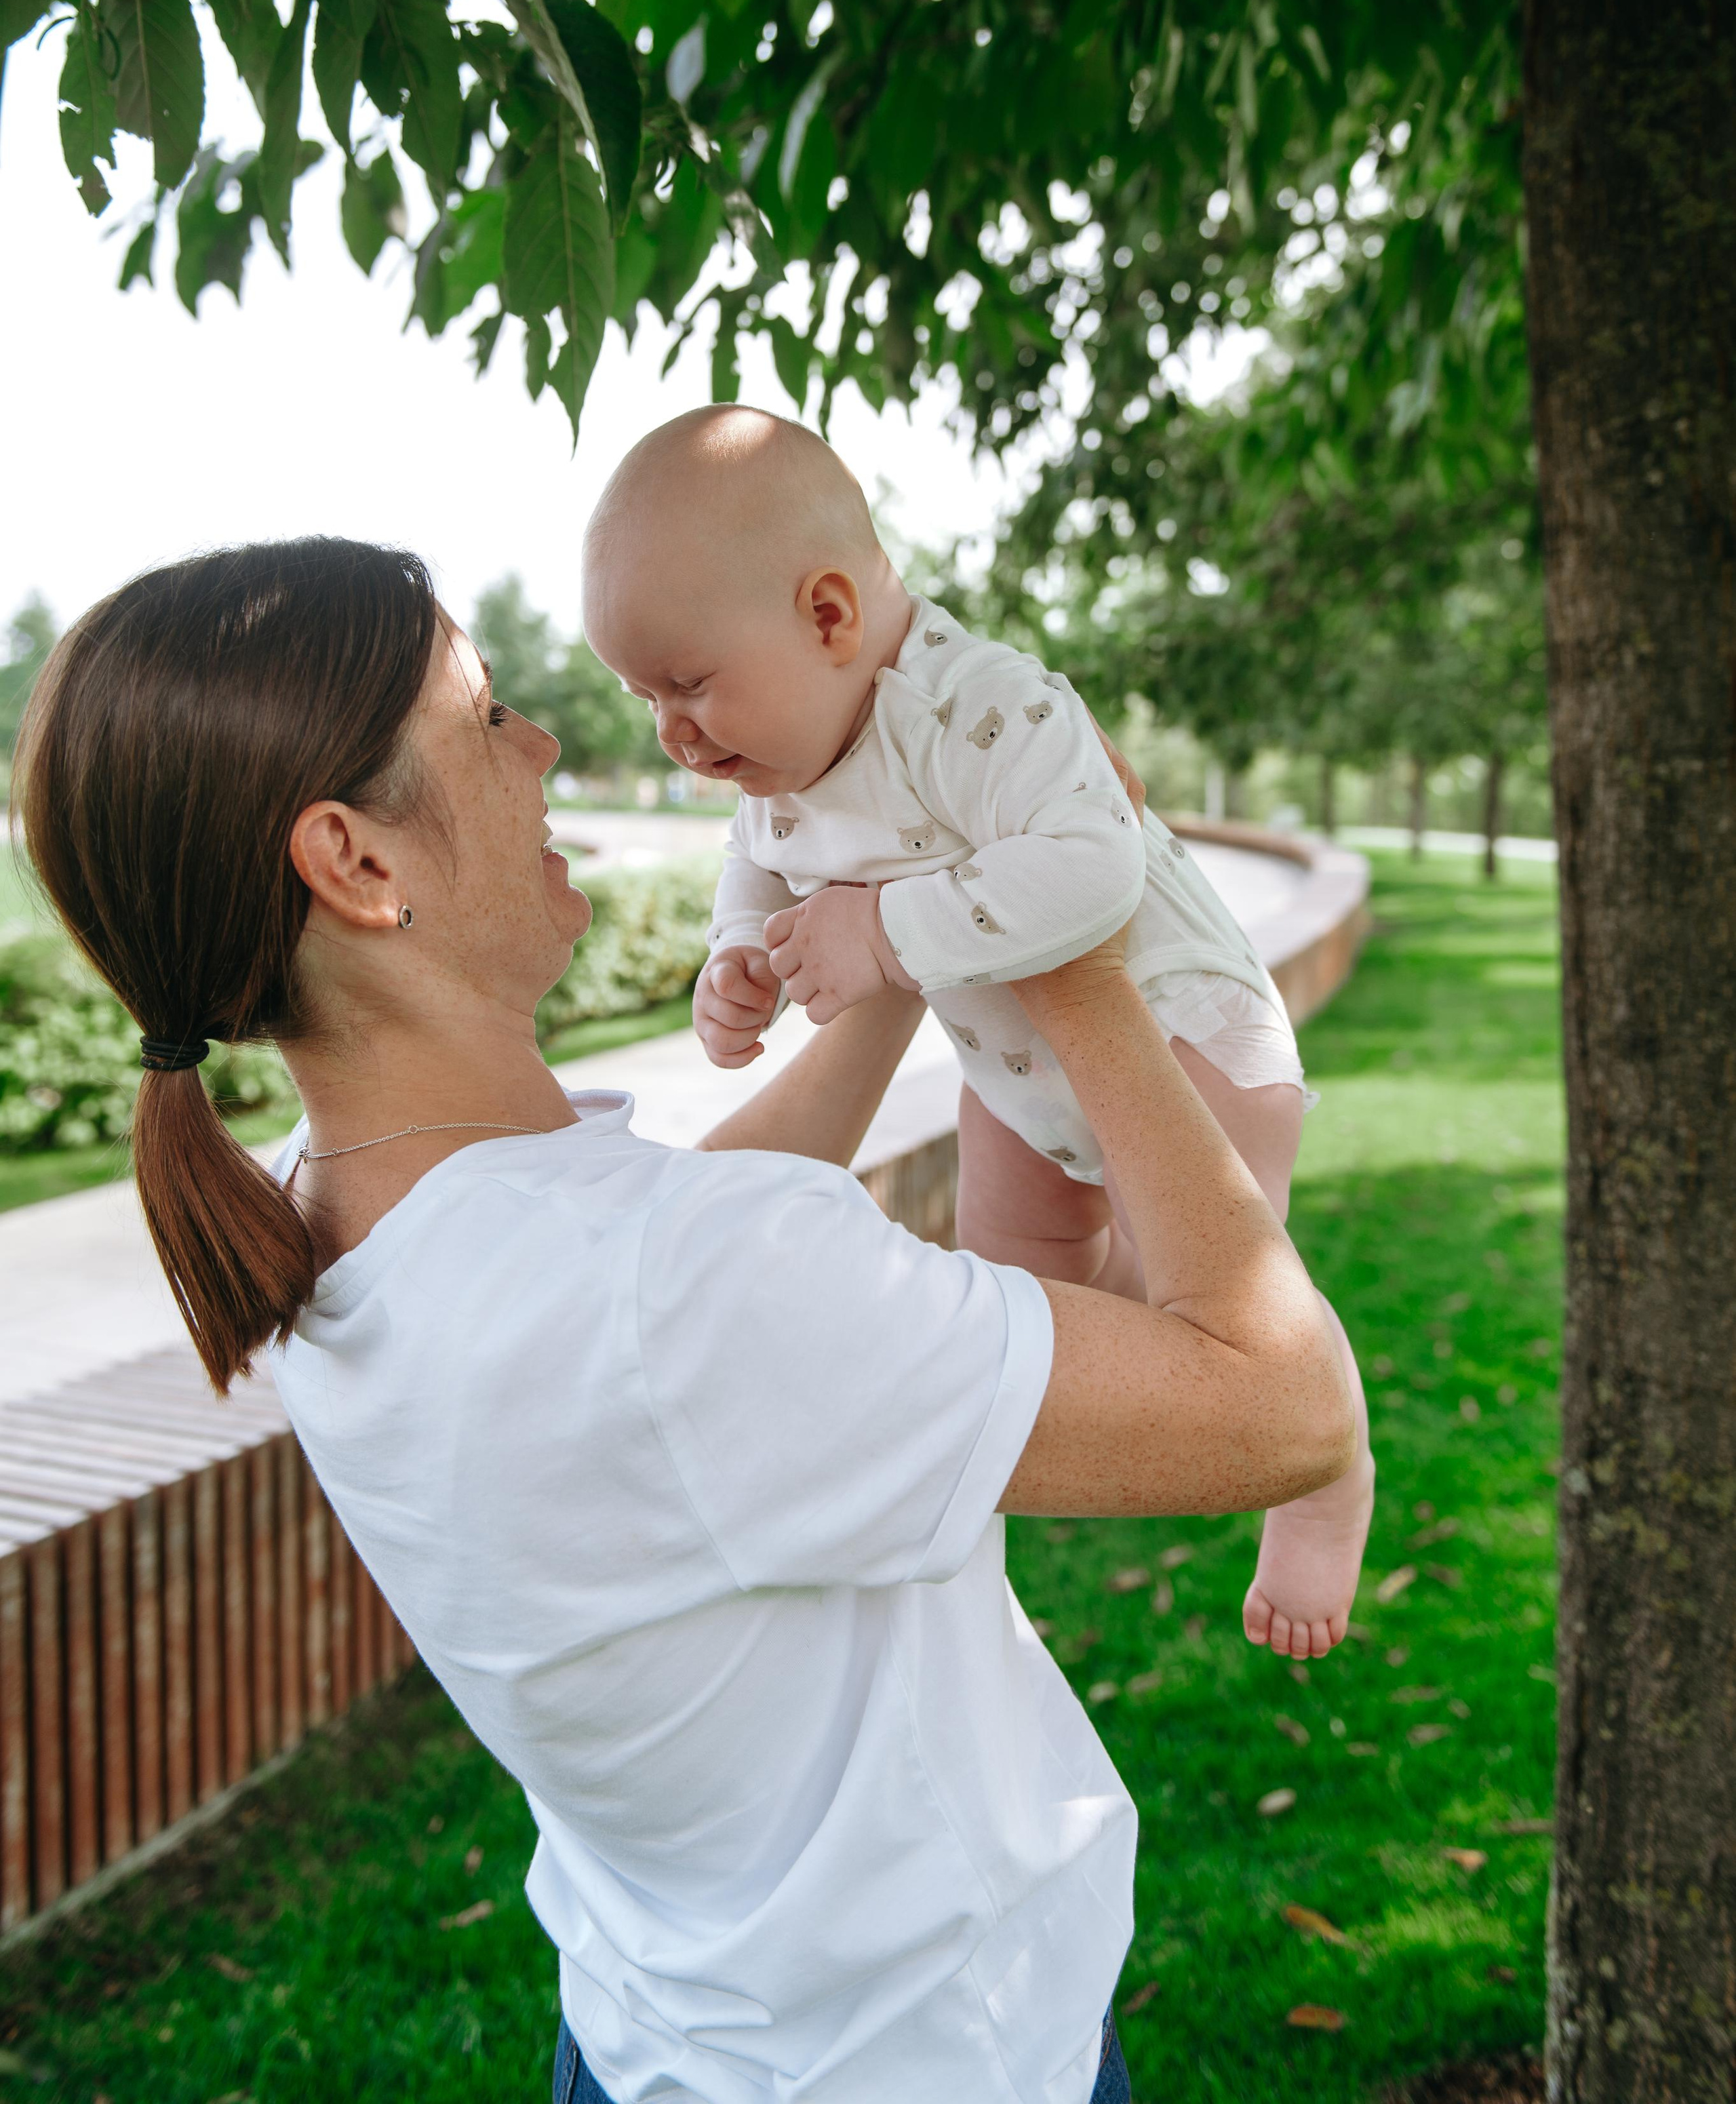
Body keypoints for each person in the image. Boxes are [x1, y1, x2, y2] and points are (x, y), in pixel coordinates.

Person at [15, 536, 1354, 2104]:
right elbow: (1284, 1408)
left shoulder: (330, 1225)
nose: (551, 745)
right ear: (356, 861)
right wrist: (1065, 937)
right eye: (490, 714)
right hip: (926, 2062)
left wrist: (909, 942)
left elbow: (665, 1283)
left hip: (675, 2039)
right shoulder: (679, 1290)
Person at [583, 408, 1374, 1660]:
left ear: (831, 615)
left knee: (1231, 1291)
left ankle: (1324, 1467)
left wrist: (887, 936)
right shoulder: (785, 756)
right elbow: (762, 859)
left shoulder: (977, 709)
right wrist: (742, 960)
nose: (672, 732)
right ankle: (1172, 1355)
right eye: (645, 699)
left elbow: (1094, 871)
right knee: (1036, 1287)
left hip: (1184, 1041)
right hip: (1020, 1077)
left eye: (686, 683)